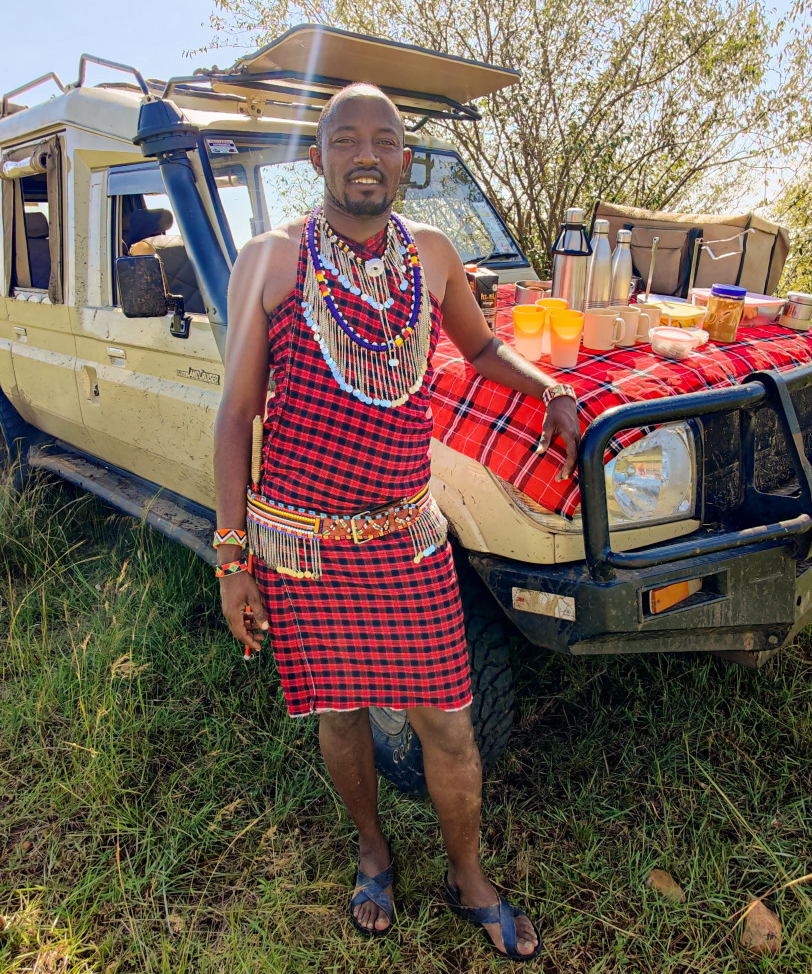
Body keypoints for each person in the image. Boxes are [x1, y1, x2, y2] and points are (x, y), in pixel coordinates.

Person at [212, 83, 580, 961]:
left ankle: (466, 873)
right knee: (339, 714)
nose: (367, 154)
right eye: (347, 140)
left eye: (386, 140)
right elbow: (234, 414)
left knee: (449, 721)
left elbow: (482, 348)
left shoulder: (436, 253)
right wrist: (231, 557)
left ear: (407, 161)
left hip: (407, 540)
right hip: (302, 548)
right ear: (318, 159)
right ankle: (373, 851)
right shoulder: (270, 261)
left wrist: (551, 387)